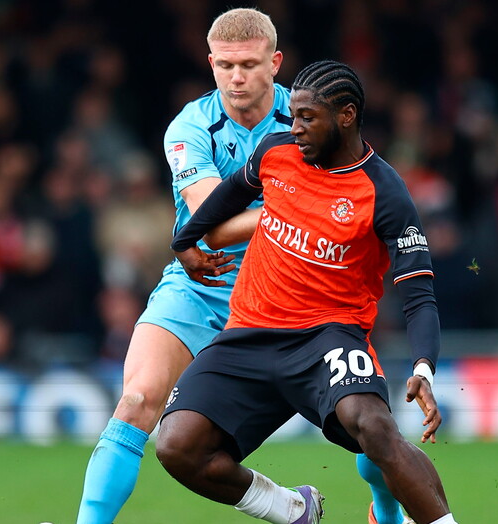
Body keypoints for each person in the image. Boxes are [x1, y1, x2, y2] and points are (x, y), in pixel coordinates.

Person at [76, 9, 412, 524]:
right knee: (138, 399)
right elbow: (211, 220)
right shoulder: (189, 128)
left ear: (275, 63)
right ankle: (285, 507)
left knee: (368, 429)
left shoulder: (308, 118)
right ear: (211, 63)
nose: (237, 77)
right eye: (226, 65)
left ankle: (387, 517)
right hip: (201, 284)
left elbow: (357, 190)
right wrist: (298, 206)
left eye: (250, 64)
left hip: (298, 294)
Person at [156, 60, 458, 524]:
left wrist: (425, 368)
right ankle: (292, 508)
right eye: (293, 115)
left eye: (307, 117)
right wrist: (185, 241)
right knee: (176, 445)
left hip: (328, 338)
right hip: (250, 334)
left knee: (377, 432)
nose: (293, 127)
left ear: (347, 115)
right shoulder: (277, 152)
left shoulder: (385, 191)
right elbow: (233, 192)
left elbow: (418, 292)